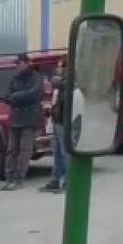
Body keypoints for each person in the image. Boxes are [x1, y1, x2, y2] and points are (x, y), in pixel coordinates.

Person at [2, 53, 44, 191]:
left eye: (19, 63)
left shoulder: (36, 77)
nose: (17, 66)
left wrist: (16, 96)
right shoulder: (14, 78)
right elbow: (7, 97)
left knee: (24, 151)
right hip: (15, 118)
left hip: (29, 119)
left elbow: (34, 94)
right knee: (11, 150)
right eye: (16, 63)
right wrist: (18, 97)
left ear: (27, 63)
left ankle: (19, 178)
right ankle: (9, 178)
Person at [42, 62, 68, 194]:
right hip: (57, 120)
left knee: (64, 152)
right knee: (56, 152)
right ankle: (55, 179)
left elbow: (58, 83)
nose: (58, 69)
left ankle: (68, 182)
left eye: (60, 67)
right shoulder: (58, 86)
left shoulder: (67, 82)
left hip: (64, 121)